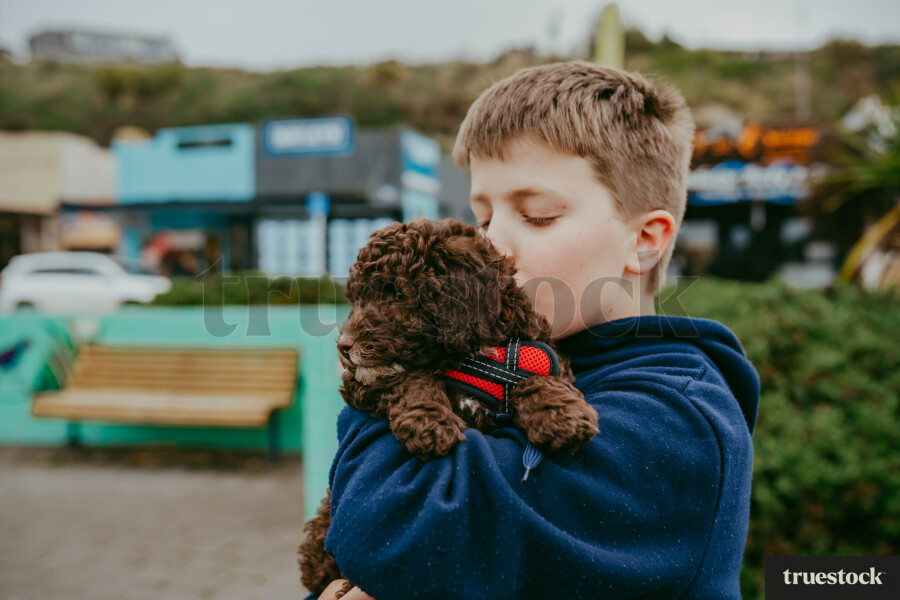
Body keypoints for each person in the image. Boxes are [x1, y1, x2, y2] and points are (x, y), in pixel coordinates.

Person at [313, 62, 759, 599]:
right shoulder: (493, 361)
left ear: (644, 240)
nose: (491, 244)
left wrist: (383, 380)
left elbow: (395, 532)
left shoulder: (675, 418)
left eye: (538, 215)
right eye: (482, 218)